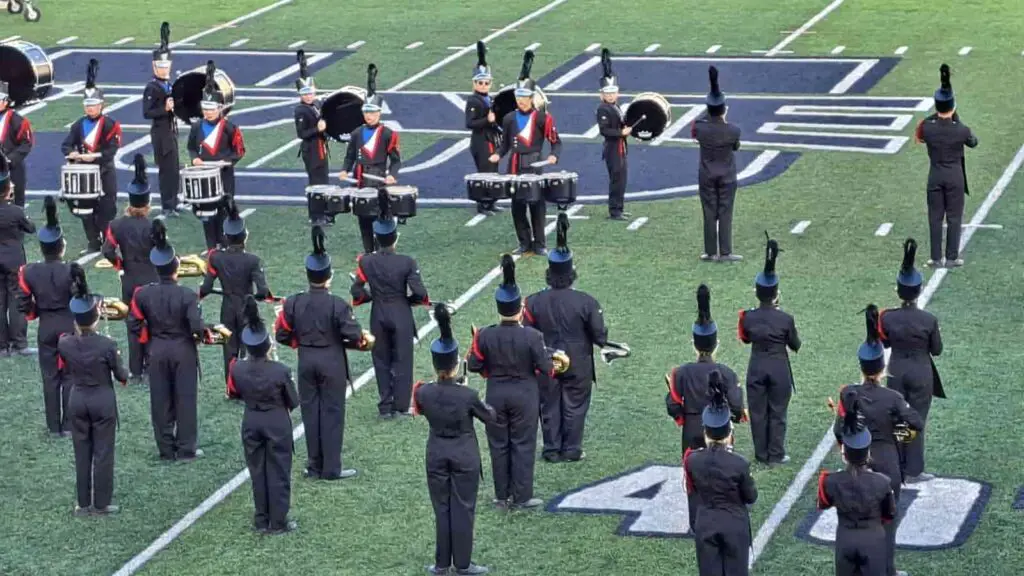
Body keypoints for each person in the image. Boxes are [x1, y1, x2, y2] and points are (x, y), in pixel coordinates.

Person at [275, 226, 371, 480]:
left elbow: (282, 334)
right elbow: (354, 335)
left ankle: (313, 465)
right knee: (332, 412)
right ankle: (331, 468)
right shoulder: (337, 304)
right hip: (331, 362)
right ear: (328, 276)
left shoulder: (294, 302)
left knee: (310, 412)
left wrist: (301, 343)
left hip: (306, 360)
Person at [834, 304, 923, 576]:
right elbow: (916, 425)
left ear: (861, 366)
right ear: (882, 369)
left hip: (856, 461)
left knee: (855, 518)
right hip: (887, 462)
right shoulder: (893, 398)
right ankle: (887, 570)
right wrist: (896, 437)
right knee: (886, 521)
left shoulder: (849, 394)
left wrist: (848, 444)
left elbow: (840, 430)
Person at [467, 254, 558, 509]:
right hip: (525, 396)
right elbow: (545, 368)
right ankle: (522, 495)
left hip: (495, 394)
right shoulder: (532, 336)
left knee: (498, 444)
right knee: (523, 444)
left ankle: (501, 495)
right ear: (520, 310)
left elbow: (474, 364)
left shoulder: (485, 335)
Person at [412, 303, 495, 575]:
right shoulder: (467, 395)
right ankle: (462, 563)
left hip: (435, 452)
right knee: (463, 508)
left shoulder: (423, 392)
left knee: (442, 508)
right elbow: (490, 417)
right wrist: (468, 392)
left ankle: (441, 563)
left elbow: (424, 406)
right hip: (464, 455)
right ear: (456, 362)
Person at [523, 213, 608, 462]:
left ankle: (551, 449)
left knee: (548, 404)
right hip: (579, 361)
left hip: (545, 359)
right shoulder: (587, 302)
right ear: (571, 273)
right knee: (575, 405)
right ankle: (572, 449)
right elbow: (599, 336)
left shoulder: (534, 301)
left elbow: (528, 333)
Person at [128, 220, 207, 461]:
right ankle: (186, 448)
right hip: (183, 350)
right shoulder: (187, 294)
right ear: (176, 269)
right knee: (185, 398)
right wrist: (202, 335)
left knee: (160, 400)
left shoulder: (142, 293)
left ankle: (165, 448)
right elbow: (196, 326)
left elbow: (133, 323)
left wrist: (147, 339)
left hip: (157, 350)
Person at [351, 191, 429, 418]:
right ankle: (402, 405)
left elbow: (356, 290)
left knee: (381, 359)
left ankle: (385, 405)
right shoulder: (406, 262)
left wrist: (369, 297)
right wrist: (411, 302)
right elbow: (420, 293)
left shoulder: (366, 261)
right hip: (400, 312)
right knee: (403, 359)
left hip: (378, 313)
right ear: (395, 238)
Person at [61, 263, 128, 516]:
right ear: (96, 318)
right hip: (101, 399)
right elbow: (121, 375)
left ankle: (83, 503)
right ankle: (101, 503)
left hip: (77, 398)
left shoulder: (65, 343)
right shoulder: (106, 345)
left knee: (81, 452)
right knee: (102, 451)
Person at [228, 296, 299, 534]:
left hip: (251, 420)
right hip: (276, 421)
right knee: (279, 470)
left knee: (257, 470)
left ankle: (261, 519)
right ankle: (278, 521)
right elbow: (294, 401)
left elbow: (234, 393)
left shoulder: (236, 367)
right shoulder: (280, 370)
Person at [879, 238, 943, 484]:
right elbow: (936, 350)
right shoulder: (928, 319)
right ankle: (914, 470)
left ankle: (897, 465)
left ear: (898, 291)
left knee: (898, 419)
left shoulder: (888, 318)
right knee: (917, 419)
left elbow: (884, 344)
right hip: (921, 372)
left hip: (896, 370)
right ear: (919, 291)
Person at [683, 372, 757, 576]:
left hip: (705, 523)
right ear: (729, 432)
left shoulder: (692, 459)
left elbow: (693, 489)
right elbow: (751, 497)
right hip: (734, 524)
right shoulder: (739, 463)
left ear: (705, 432)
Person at [489, 50, 562, 256]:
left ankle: (540, 243)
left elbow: (556, 141)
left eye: (524, 97)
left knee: (537, 203)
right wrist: (497, 155)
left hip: (535, 162)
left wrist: (554, 155)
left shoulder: (542, 118)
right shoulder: (509, 118)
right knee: (517, 204)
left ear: (532, 98)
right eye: (518, 96)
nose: (521, 100)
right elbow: (504, 144)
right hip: (514, 164)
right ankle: (524, 241)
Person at [818, 389, 897, 576]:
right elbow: (889, 514)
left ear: (844, 453)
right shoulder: (882, 482)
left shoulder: (829, 480)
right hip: (873, 541)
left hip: (845, 540)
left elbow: (824, 503)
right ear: (868, 454)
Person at [738, 234, 800, 465]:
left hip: (756, 367)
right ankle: (776, 453)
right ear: (776, 294)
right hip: (779, 368)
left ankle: (761, 454)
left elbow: (744, 338)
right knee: (778, 412)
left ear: (757, 293)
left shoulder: (747, 317)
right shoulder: (785, 318)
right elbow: (795, 345)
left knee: (757, 412)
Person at [199, 198, 270, 397]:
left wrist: (200, 293)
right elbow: (263, 290)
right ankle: (248, 388)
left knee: (229, 351)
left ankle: (231, 389)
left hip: (227, 307)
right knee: (249, 349)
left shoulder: (216, 257)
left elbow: (206, 286)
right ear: (244, 236)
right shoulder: (253, 260)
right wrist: (259, 295)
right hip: (246, 307)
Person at [18, 196, 74, 434]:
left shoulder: (29, 271)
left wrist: (35, 312)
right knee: (70, 376)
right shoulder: (72, 270)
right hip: (69, 325)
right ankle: (69, 425)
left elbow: (25, 304)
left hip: (46, 327)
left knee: (50, 378)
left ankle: (53, 426)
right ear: (61, 247)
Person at [666, 284, 745, 453]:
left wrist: (683, 418)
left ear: (693, 345)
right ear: (717, 344)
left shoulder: (681, 372)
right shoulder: (727, 373)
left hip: (691, 431)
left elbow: (673, 405)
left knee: (692, 474)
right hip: (719, 431)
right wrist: (733, 417)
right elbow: (737, 406)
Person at [101, 154, 159, 384]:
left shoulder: (116, 224)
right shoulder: (152, 225)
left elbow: (107, 250)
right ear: (147, 204)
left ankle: (136, 370)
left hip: (129, 279)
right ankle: (151, 365)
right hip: (151, 278)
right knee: (154, 323)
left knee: (132, 324)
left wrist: (120, 265)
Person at [915, 64, 978, 268]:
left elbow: (922, 134)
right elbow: (973, 142)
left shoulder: (926, 127)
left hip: (935, 175)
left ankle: (935, 258)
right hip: (955, 177)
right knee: (954, 217)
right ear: (952, 107)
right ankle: (951, 257)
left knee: (935, 217)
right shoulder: (961, 129)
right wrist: (954, 116)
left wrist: (942, 113)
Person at [338, 64, 401, 254]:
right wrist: (344, 170)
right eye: (366, 112)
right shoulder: (357, 133)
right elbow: (350, 156)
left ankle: (382, 250)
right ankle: (368, 252)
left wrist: (393, 175)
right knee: (363, 218)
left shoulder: (388, 134)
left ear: (379, 113)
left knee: (381, 217)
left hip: (380, 182)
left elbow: (396, 160)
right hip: (360, 181)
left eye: (372, 113)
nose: (369, 116)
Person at [61, 59, 122, 254]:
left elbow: (111, 150)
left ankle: (108, 242)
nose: (90, 108)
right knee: (86, 212)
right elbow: (66, 144)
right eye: (87, 104)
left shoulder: (110, 125)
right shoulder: (78, 125)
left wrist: (92, 157)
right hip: (84, 175)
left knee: (106, 210)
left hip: (104, 173)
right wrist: (71, 153)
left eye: (93, 104)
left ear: (102, 105)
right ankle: (93, 242)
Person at [187, 60, 245, 250]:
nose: (208, 113)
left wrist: (227, 161)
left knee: (224, 208)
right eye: (205, 110)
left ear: (220, 108)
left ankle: (225, 240)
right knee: (206, 211)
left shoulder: (229, 128)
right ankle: (211, 244)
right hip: (204, 175)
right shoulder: (196, 127)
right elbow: (191, 147)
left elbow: (239, 150)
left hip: (224, 174)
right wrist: (194, 158)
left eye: (211, 110)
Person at [693, 66, 742, 262]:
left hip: (706, 175)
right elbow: (736, 146)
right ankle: (726, 252)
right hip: (727, 176)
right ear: (724, 109)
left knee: (709, 212)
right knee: (725, 213)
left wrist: (713, 96)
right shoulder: (733, 130)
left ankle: (710, 252)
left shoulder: (700, 128)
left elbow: (700, 122)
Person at [142, 22, 181, 216]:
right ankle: (167, 204)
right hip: (160, 133)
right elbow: (147, 112)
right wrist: (164, 109)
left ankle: (174, 201)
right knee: (166, 169)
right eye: (160, 66)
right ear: (154, 66)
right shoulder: (152, 87)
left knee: (174, 168)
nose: (164, 69)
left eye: (166, 66)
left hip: (171, 131)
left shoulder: (168, 84)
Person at [0, 151, 35, 357]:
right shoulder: (16, 211)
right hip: (14, 260)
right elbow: (30, 228)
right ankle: (19, 343)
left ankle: (2, 346)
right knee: (16, 299)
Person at [464, 40, 502, 216]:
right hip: (481, 142)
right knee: (484, 172)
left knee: (493, 172)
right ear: (474, 84)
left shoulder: (489, 98)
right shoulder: (473, 101)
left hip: (491, 140)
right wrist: (487, 120)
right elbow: (470, 123)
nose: (483, 86)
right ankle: (482, 204)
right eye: (480, 83)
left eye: (486, 83)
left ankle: (491, 202)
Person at [293, 49, 330, 224]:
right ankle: (315, 216)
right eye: (305, 94)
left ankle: (323, 212)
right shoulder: (300, 110)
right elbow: (302, 134)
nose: (309, 96)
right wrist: (318, 128)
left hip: (320, 148)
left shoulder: (315, 103)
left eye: (311, 92)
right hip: (312, 150)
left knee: (323, 180)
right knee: (316, 182)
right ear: (300, 95)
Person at [595, 49, 630, 220]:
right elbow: (604, 130)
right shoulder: (603, 108)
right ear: (602, 94)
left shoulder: (615, 106)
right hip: (613, 149)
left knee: (622, 179)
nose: (610, 95)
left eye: (612, 92)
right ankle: (614, 211)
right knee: (616, 179)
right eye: (607, 93)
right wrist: (621, 132)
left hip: (620, 147)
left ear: (617, 93)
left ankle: (619, 207)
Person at [0, 80, 34, 207]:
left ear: (6, 101)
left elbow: (27, 143)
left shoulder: (17, 120)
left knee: (16, 204)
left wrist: (9, 159)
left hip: (12, 168)